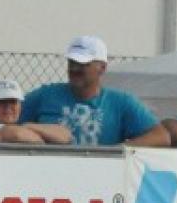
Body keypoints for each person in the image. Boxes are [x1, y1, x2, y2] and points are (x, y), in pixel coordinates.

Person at [19, 35, 168, 148]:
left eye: (83, 64)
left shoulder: (121, 102)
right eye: (72, 62)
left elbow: (160, 136)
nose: (74, 68)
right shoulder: (45, 95)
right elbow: (11, 119)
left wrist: (120, 152)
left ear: (102, 68)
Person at [0, 80, 70, 146]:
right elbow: (18, 135)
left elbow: (65, 135)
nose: (8, 107)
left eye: (13, 101)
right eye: (1, 101)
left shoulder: (24, 127)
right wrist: (49, 140)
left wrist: (28, 126)